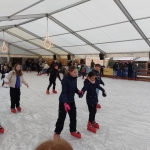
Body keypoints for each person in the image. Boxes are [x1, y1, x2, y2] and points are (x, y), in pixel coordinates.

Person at [54, 66, 81, 139]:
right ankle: (57, 133)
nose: (76, 73)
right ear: (70, 72)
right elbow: (64, 92)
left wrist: (78, 92)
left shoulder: (74, 79)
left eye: (76, 72)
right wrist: (65, 103)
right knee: (61, 118)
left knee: (73, 117)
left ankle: (73, 130)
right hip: (64, 102)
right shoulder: (65, 80)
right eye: (74, 72)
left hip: (71, 101)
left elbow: (74, 88)